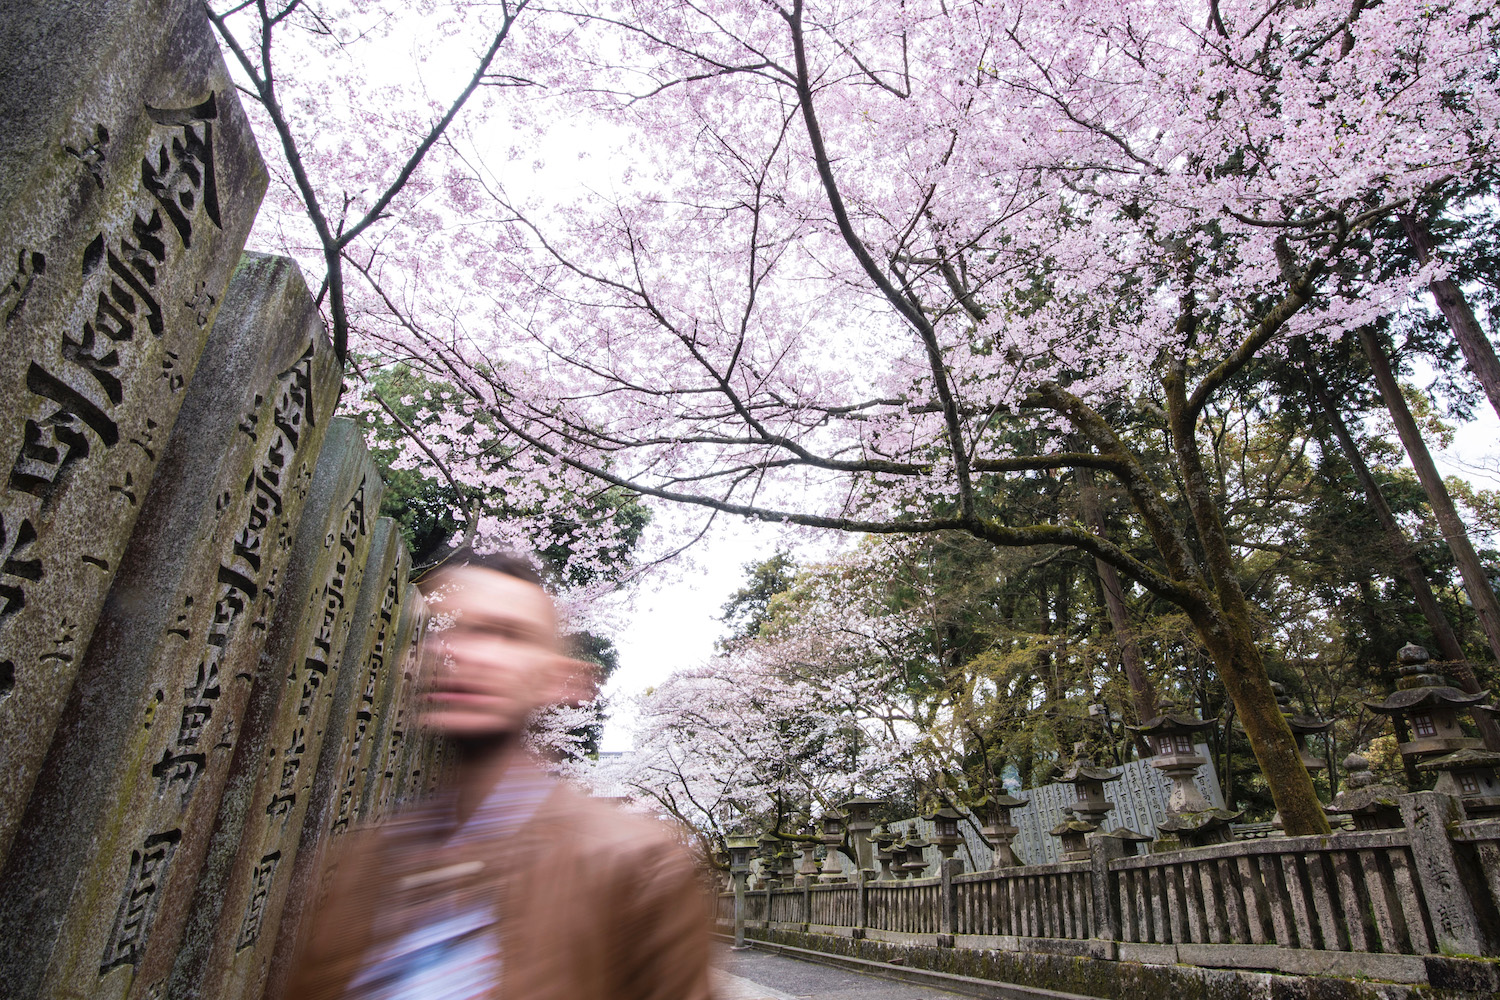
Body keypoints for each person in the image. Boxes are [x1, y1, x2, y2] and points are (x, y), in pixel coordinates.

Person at [284, 548, 713, 1000]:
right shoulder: (364, 865)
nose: (470, 654)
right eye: (457, 629)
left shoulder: (636, 869)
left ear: (561, 680)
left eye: (508, 635)